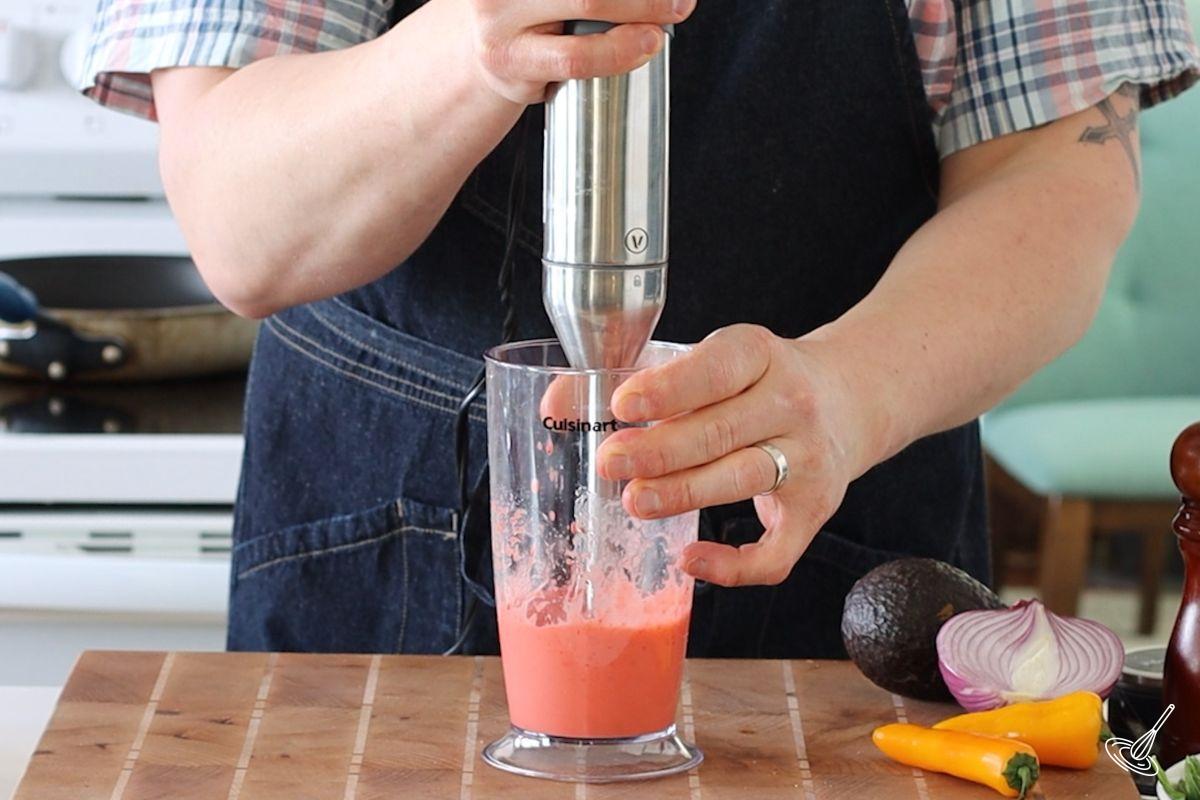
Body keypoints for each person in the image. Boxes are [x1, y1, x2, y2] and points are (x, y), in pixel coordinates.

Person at [83, 0, 1198, 657]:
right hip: (379, 572)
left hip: (838, 562)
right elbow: (242, 221)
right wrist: (472, 45)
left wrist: (851, 390)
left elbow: (1057, 175)